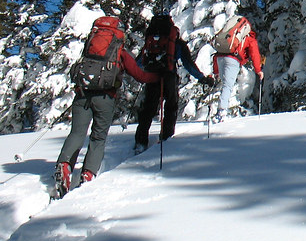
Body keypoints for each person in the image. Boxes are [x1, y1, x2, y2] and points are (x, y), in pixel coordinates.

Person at [54, 16, 160, 197]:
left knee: (77, 133)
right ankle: (88, 174)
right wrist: (158, 77)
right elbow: (139, 75)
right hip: (105, 97)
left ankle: (64, 166)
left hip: (82, 94)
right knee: (98, 137)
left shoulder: (90, 49)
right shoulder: (120, 53)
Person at [133, 14, 214, 153]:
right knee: (171, 106)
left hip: (151, 74)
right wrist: (202, 78)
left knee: (148, 108)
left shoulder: (151, 41)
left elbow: (139, 61)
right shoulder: (175, 41)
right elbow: (188, 64)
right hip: (169, 75)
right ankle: (166, 138)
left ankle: (141, 141)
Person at [212, 23, 263, 122]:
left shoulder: (230, 37)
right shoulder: (250, 38)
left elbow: (218, 52)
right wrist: (258, 70)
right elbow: (255, 55)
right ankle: (221, 112)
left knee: (225, 85)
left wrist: (216, 71)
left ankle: (221, 109)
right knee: (228, 85)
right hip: (233, 60)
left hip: (220, 58)